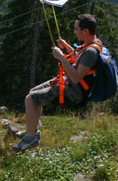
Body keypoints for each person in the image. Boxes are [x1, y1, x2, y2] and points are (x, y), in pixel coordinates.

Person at [13, 14, 101, 152]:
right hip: (70, 84)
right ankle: (32, 131)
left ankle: (30, 139)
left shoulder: (91, 52)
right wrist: (67, 47)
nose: (74, 31)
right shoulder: (92, 44)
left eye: (76, 29)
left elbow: (77, 77)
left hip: (75, 93)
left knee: (30, 99)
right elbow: (79, 59)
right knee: (32, 93)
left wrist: (61, 57)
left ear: (85, 31)